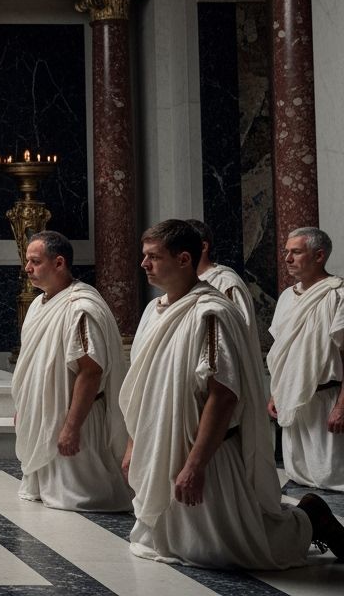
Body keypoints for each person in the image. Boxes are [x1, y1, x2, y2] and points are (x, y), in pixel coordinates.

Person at [120, 219, 343, 568]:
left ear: (183, 259)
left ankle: (308, 518)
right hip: (163, 442)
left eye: (153, 257)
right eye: (144, 256)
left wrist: (195, 465)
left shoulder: (210, 313)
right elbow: (143, 387)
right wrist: (134, 444)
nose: (144, 264)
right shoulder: (155, 311)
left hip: (207, 450)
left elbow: (223, 395)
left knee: (233, 551)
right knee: (174, 544)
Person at [12, 231, 132, 511]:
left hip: (74, 419)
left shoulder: (79, 308)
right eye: (27, 261)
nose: (27, 268)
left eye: (35, 261)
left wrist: (71, 427)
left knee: (81, 500)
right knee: (49, 501)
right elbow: (34, 365)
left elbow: (90, 371)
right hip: (46, 416)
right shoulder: (39, 305)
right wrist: (25, 407)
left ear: (59, 263)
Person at [267, 226, 344, 491]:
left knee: (332, 482)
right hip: (294, 406)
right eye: (286, 252)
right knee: (299, 482)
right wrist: (276, 394)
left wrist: (341, 407)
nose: (287, 258)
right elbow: (283, 352)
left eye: (296, 252)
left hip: (328, 405)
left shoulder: (337, 295)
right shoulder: (287, 297)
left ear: (319, 255)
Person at [185, 219, 259, 347]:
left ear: (203, 247)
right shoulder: (184, 283)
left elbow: (240, 334)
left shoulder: (226, 284)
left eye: (183, 246)